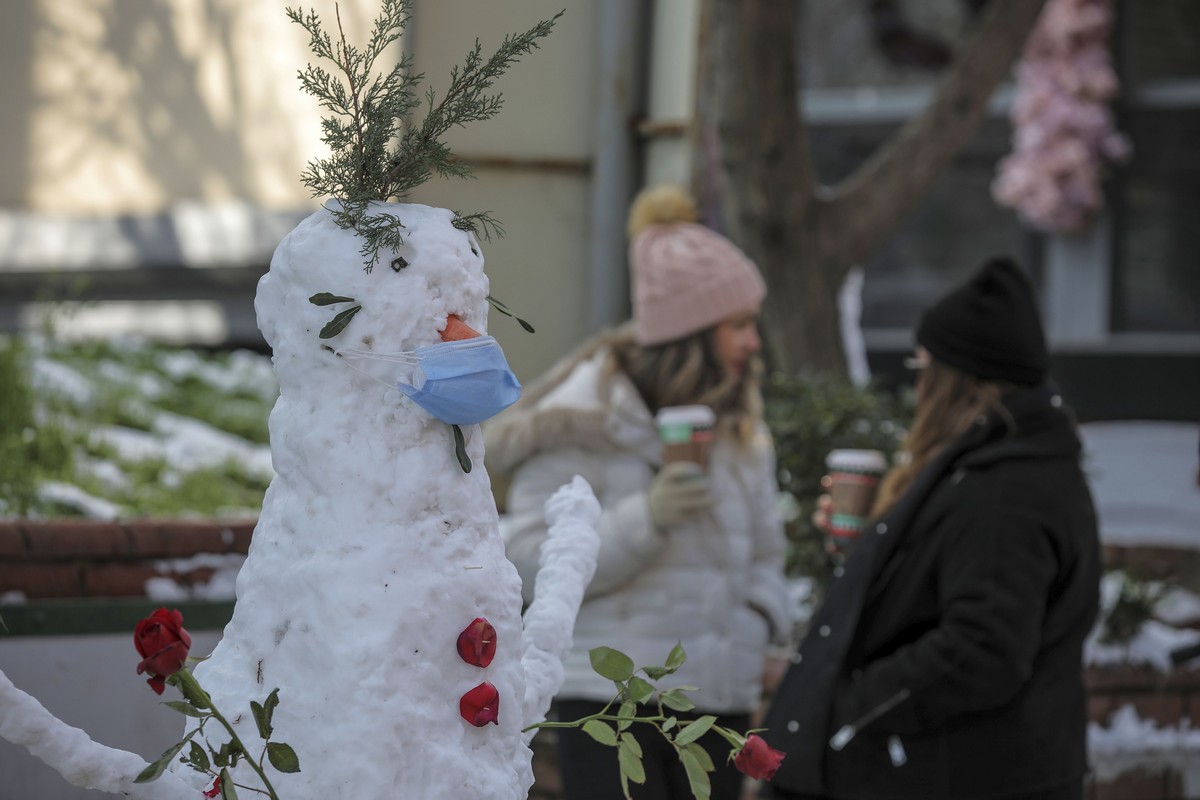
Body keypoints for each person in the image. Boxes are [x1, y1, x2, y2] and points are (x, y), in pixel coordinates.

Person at [485, 185, 792, 800]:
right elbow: (524, 561)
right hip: (610, 706)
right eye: (739, 325)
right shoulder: (583, 420)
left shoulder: (737, 426)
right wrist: (645, 518)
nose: (753, 343)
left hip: (717, 702)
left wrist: (759, 625)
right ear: (690, 332)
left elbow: (766, 555)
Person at [761, 256, 1102, 800]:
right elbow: (945, 594)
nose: (915, 388)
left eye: (921, 369)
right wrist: (873, 552)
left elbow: (983, 646)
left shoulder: (1004, 491)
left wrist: (854, 708)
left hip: (960, 773)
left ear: (955, 382)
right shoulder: (991, 468)